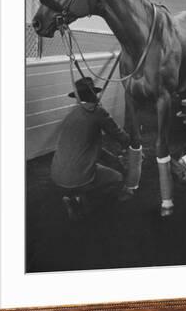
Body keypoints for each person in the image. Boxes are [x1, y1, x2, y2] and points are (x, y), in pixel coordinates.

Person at [50, 77, 131, 221]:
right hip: (78, 177)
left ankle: (74, 197)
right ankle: (85, 198)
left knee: (84, 164)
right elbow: (120, 136)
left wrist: (113, 159)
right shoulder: (98, 112)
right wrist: (130, 143)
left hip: (56, 176)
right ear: (94, 94)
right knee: (118, 179)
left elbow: (90, 149)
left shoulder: (72, 114)